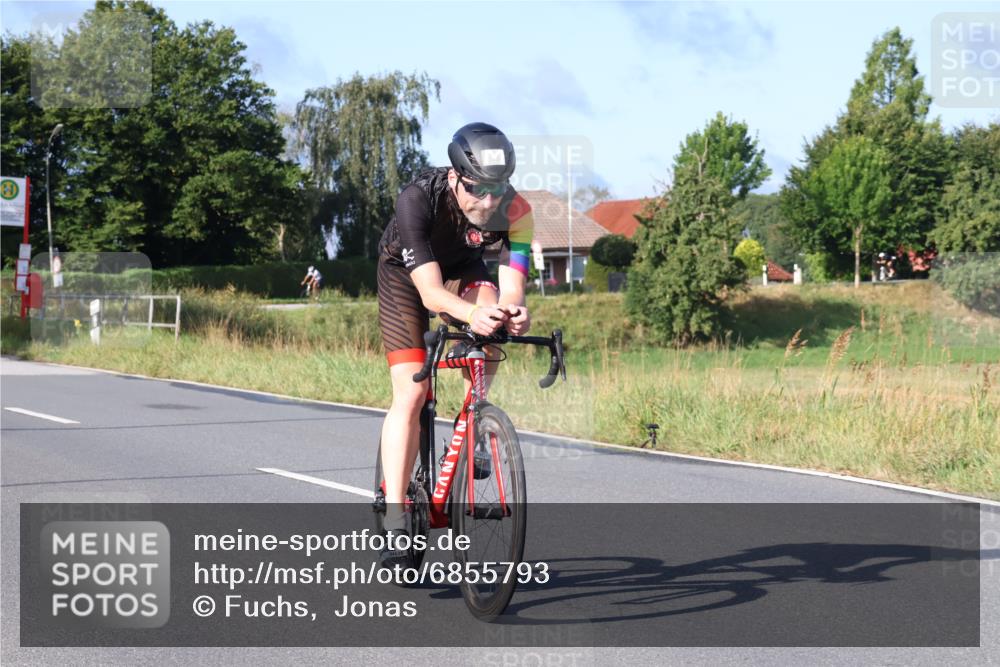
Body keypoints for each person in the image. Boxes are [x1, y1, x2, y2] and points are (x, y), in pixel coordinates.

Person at [375, 122, 534, 568]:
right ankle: (394, 516)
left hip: (462, 271)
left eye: (497, 190)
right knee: (412, 391)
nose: (488, 203)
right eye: (476, 190)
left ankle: (473, 424)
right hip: (406, 278)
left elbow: (512, 286)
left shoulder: (516, 210)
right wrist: (470, 316)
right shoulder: (417, 199)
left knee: (495, 320)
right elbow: (428, 293)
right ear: (454, 176)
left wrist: (513, 311)